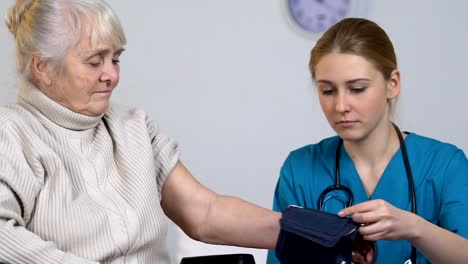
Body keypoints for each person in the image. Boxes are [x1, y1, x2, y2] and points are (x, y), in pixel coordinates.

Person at [0, 1, 282, 263]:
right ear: (43, 67)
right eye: (95, 61)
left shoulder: (134, 126)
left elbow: (204, 212)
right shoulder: (11, 133)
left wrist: (310, 233)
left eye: (116, 59)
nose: (111, 75)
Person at [267, 18, 468, 264]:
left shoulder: (445, 165)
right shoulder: (300, 168)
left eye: (358, 88)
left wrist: (416, 229)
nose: (340, 106)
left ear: (392, 84)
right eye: (328, 91)